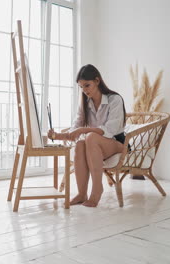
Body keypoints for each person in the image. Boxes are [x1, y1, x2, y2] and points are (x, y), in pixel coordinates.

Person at [48, 64, 127, 207]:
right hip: (96, 145)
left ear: (97, 81)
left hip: (118, 143)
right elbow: (75, 129)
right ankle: (82, 193)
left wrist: (83, 131)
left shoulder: (114, 99)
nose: (84, 91)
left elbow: (111, 130)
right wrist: (56, 136)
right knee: (80, 143)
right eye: (81, 87)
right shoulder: (85, 103)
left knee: (89, 137)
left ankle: (97, 190)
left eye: (87, 85)